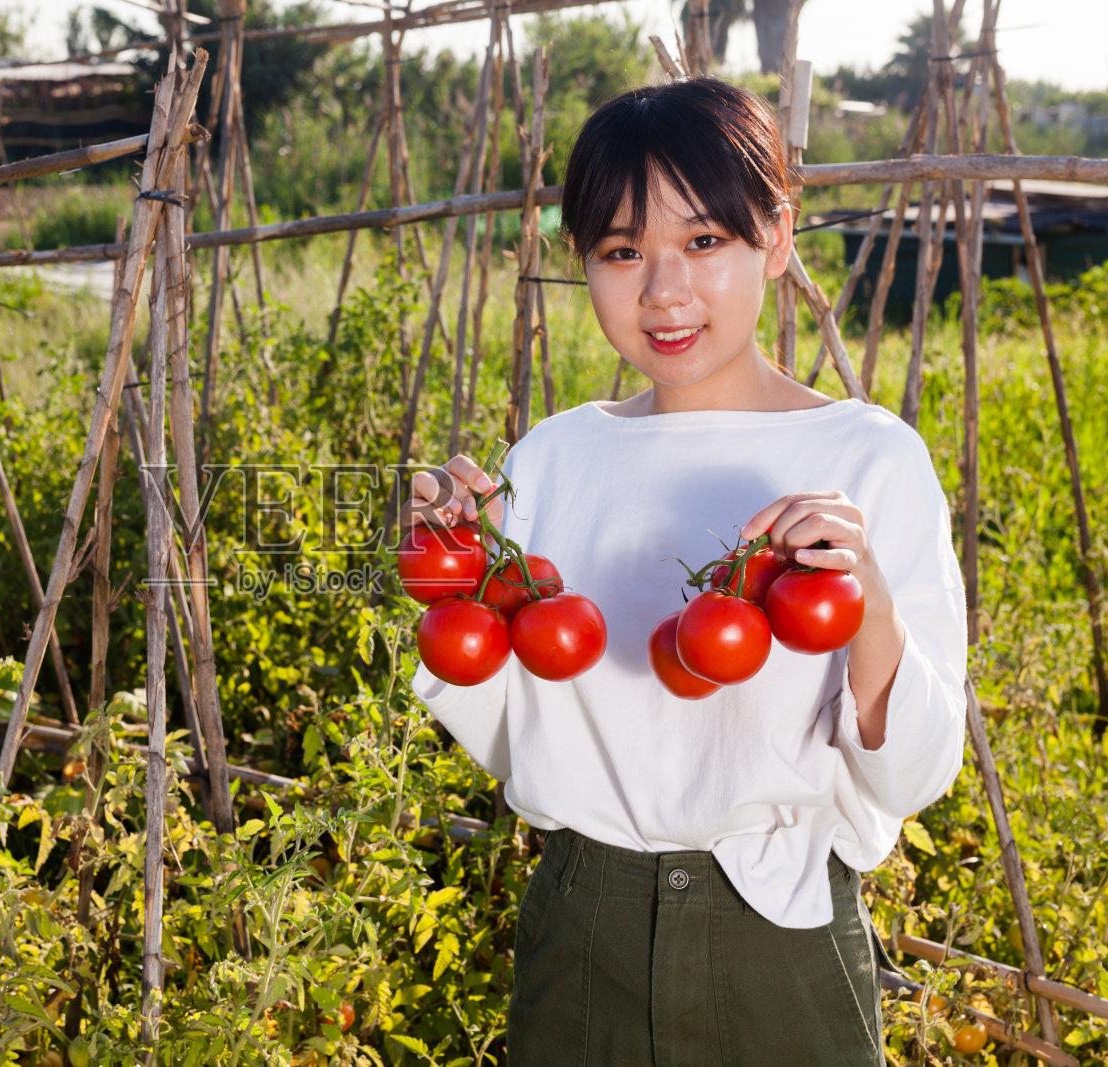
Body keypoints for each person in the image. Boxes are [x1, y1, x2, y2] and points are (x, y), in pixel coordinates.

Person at [402, 76, 967, 1067]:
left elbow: (913, 773)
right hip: (583, 929)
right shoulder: (554, 457)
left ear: (776, 236)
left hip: (781, 944)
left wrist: (869, 602)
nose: (664, 292)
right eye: (622, 252)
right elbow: (509, 739)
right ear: (584, 262)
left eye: (704, 241)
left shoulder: (869, 459)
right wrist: (465, 572)